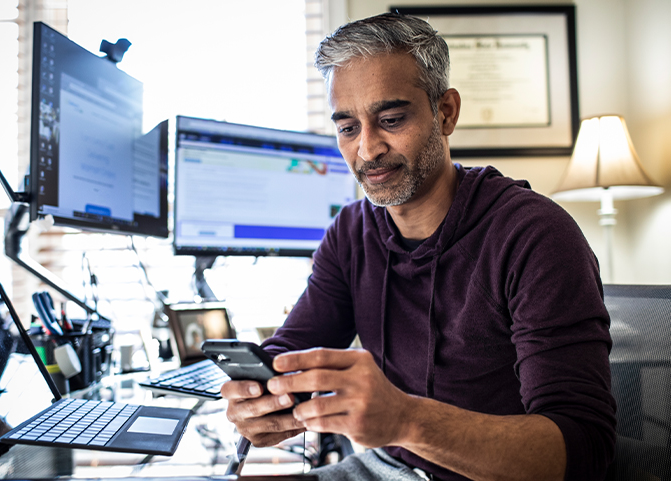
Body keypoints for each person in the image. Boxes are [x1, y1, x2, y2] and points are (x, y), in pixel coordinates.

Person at [220, 12, 616, 481]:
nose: (367, 149)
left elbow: (585, 451)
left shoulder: (535, 235)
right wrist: (260, 398)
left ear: (445, 112)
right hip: (387, 466)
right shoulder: (350, 232)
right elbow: (294, 350)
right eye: (348, 127)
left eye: (390, 119)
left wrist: (407, 420)